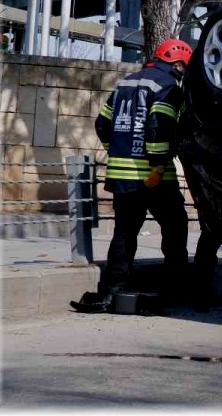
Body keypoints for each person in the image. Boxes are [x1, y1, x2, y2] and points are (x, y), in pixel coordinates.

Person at [73, 39, 193, 313]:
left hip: (121, 173)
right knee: (175, 228)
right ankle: (174, 290)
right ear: (178, 64)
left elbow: (102, 125)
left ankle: (112, 291)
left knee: (124, 233)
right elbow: (158, 129)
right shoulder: (168, 87)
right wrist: (158, 164)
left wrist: (118, 150)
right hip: (154, 176)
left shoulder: (125, 83)